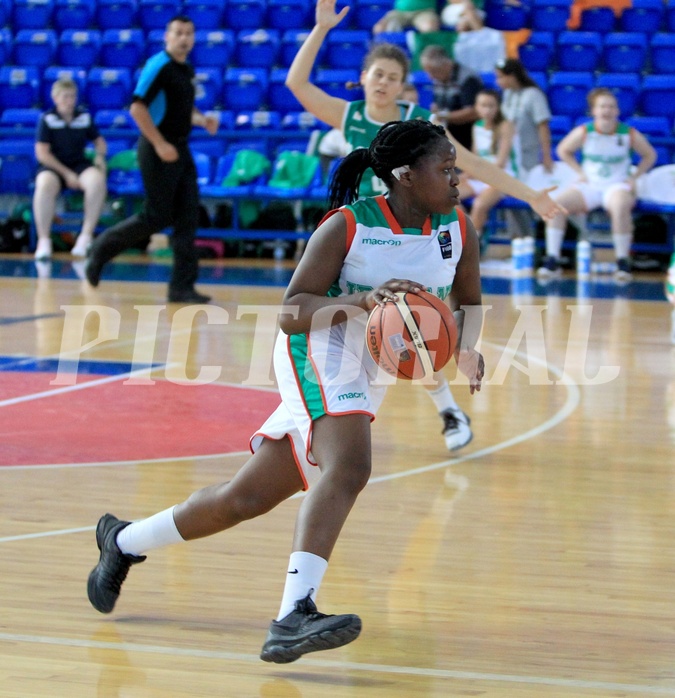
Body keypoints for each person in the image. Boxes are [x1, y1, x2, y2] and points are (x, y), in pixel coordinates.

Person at [86, 119, 485, 663]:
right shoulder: (347, 225)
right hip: (317, 345)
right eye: (445, 169)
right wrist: (363, 302)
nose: (457, 178)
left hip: (369, 366)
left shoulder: (459, 228)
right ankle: (294, 614)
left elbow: (468, 301)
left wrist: (466, 347)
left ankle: (124, 541)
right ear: (405, 176)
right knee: (349, 468)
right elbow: (293, 312)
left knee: (244, 499)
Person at [285, 0, 565, 452]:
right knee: (374, 326)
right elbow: (295, 83)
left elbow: (471, 162)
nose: (384, 83)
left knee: (415, 325)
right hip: (354, 243)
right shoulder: (351, 116)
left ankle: (445, 410)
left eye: (393, 77)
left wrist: (530, 194)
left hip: (407, 242)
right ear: (363, 78)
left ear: (403, 84)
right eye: (377, 75)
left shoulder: (420, 125)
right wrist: (319, 30)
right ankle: (320, 419)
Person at [85, 15, 218, 304]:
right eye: (178, 33)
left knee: (187, 216)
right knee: (157, 215)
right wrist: (159, 144)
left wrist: (201, 119)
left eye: (189, 33)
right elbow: (137, 108)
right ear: (167, 37)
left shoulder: (185, 69)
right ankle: (100, 249)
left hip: (180, 149)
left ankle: (181, 287)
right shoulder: (158, 65)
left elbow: (180, 108)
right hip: (157, 149)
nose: (184, 38)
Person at [537, 88, 656, 281]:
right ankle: (552, 259)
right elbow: (563, 150)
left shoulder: (628, 133)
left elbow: (650, 155)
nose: (607, 110)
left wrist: (634, 177)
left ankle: (622, 262)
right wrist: (580, 172)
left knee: (619, 207)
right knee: (556, 204)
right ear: (594, 110)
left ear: (617, 111)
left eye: (611, 106)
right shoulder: (585, 131)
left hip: (616, 185)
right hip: (591, 185)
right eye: (602, 106)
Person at [32, 78, 108, 261]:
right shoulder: (47, 119)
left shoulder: (84, 117)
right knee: (43, 185)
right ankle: (44, 240)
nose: (69, 101)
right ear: (55, 98)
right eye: (65, 97)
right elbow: (42, 153)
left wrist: (99, 157)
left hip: (79, 164)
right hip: (54, 166)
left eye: (72, 96)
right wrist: (66, 174)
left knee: (97, 181)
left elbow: (100, 143)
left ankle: (85, 237)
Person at [495, 58, 553, 240]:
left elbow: (542, 125)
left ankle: (530, 239)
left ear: (512, 76)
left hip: (528, 156)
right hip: (511, 155)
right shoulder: (508, 95)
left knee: (525, 197)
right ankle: (516, 239)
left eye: (501, 77)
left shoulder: (533, 95)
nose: (498, 82)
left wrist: (546, 154)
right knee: (511, 196)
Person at [457, 88, 519, 247]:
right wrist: (467, 172)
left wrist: (476, 172)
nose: (487, 110)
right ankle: (467, 231)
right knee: (447, 196)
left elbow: (501, 163)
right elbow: (474, 157)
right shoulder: (477, 126)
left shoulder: (506, 126)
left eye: (491, 106)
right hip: (480, 176)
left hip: (501, 178)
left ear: (498, 107)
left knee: (479, 205)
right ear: (476, 107)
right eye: (483, 105)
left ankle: (472, 244)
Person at [419, 44, 482, 152]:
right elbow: (438, 106)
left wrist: (443, 115)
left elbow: (474, 112)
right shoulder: (438, 78)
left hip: (467, 138)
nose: (430, 77)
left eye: (432, 71)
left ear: (447, 65)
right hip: (446, 136)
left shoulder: (467, 79)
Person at [372, 0, 440, 34]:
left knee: (429, 27)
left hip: (424, 12)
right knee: (379, 28)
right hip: (400, 12)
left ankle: (426, 59)